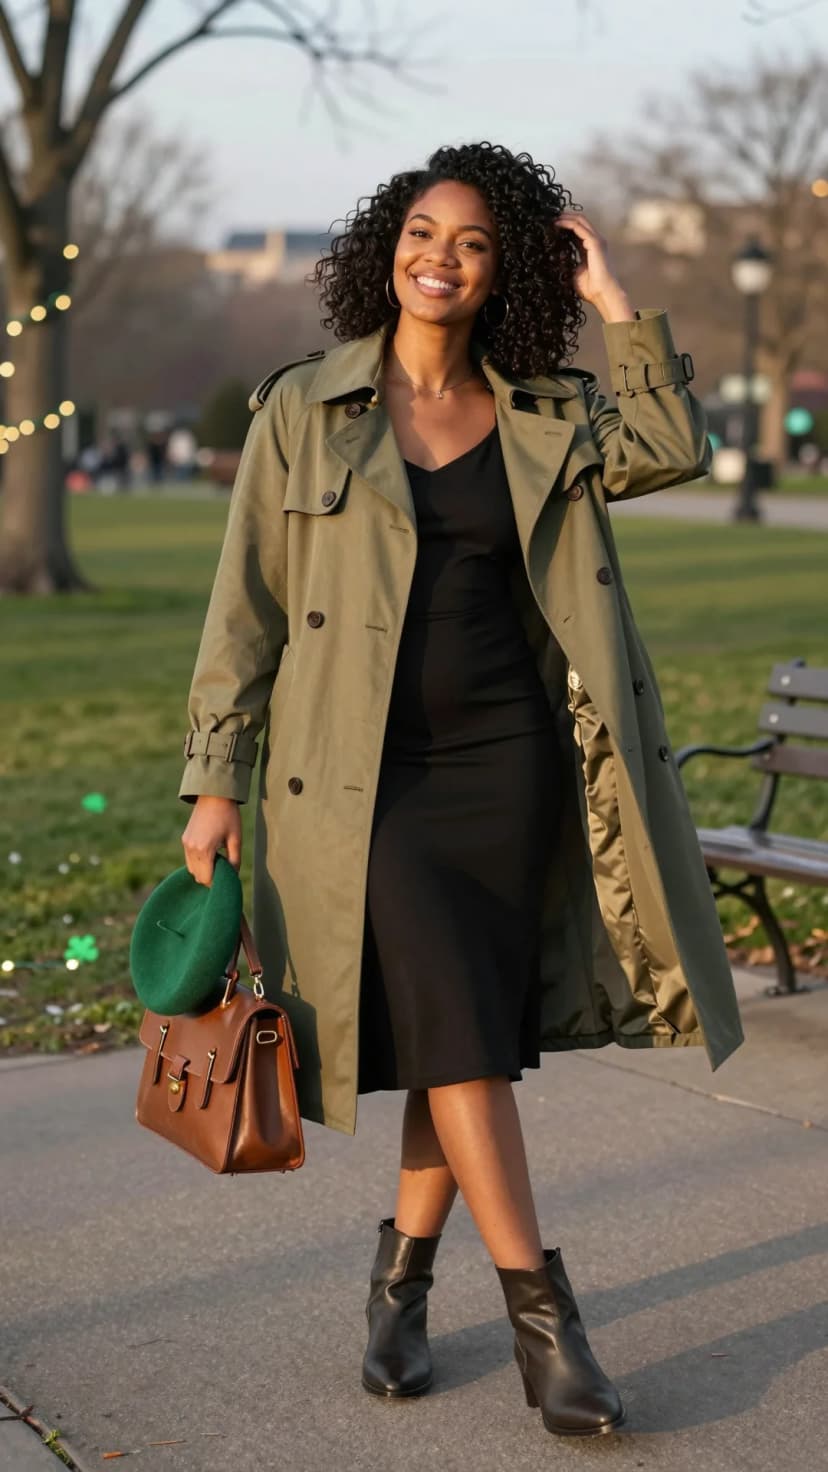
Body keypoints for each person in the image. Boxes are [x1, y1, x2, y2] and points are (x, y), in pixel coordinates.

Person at [178, 142, 743, 1439]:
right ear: (390, 245)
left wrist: (616, 305)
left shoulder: (544, 410)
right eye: (423, 230)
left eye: (476, 241)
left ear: (506, 272)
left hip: (511, 767)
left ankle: (400, 1286)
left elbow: (671, 446)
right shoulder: (303, 407)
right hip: (362, 787)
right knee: (462, 1037)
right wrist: (214, 780)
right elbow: (241, 609)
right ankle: (548, 1321)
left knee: (458, 1043)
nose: (442, 255)